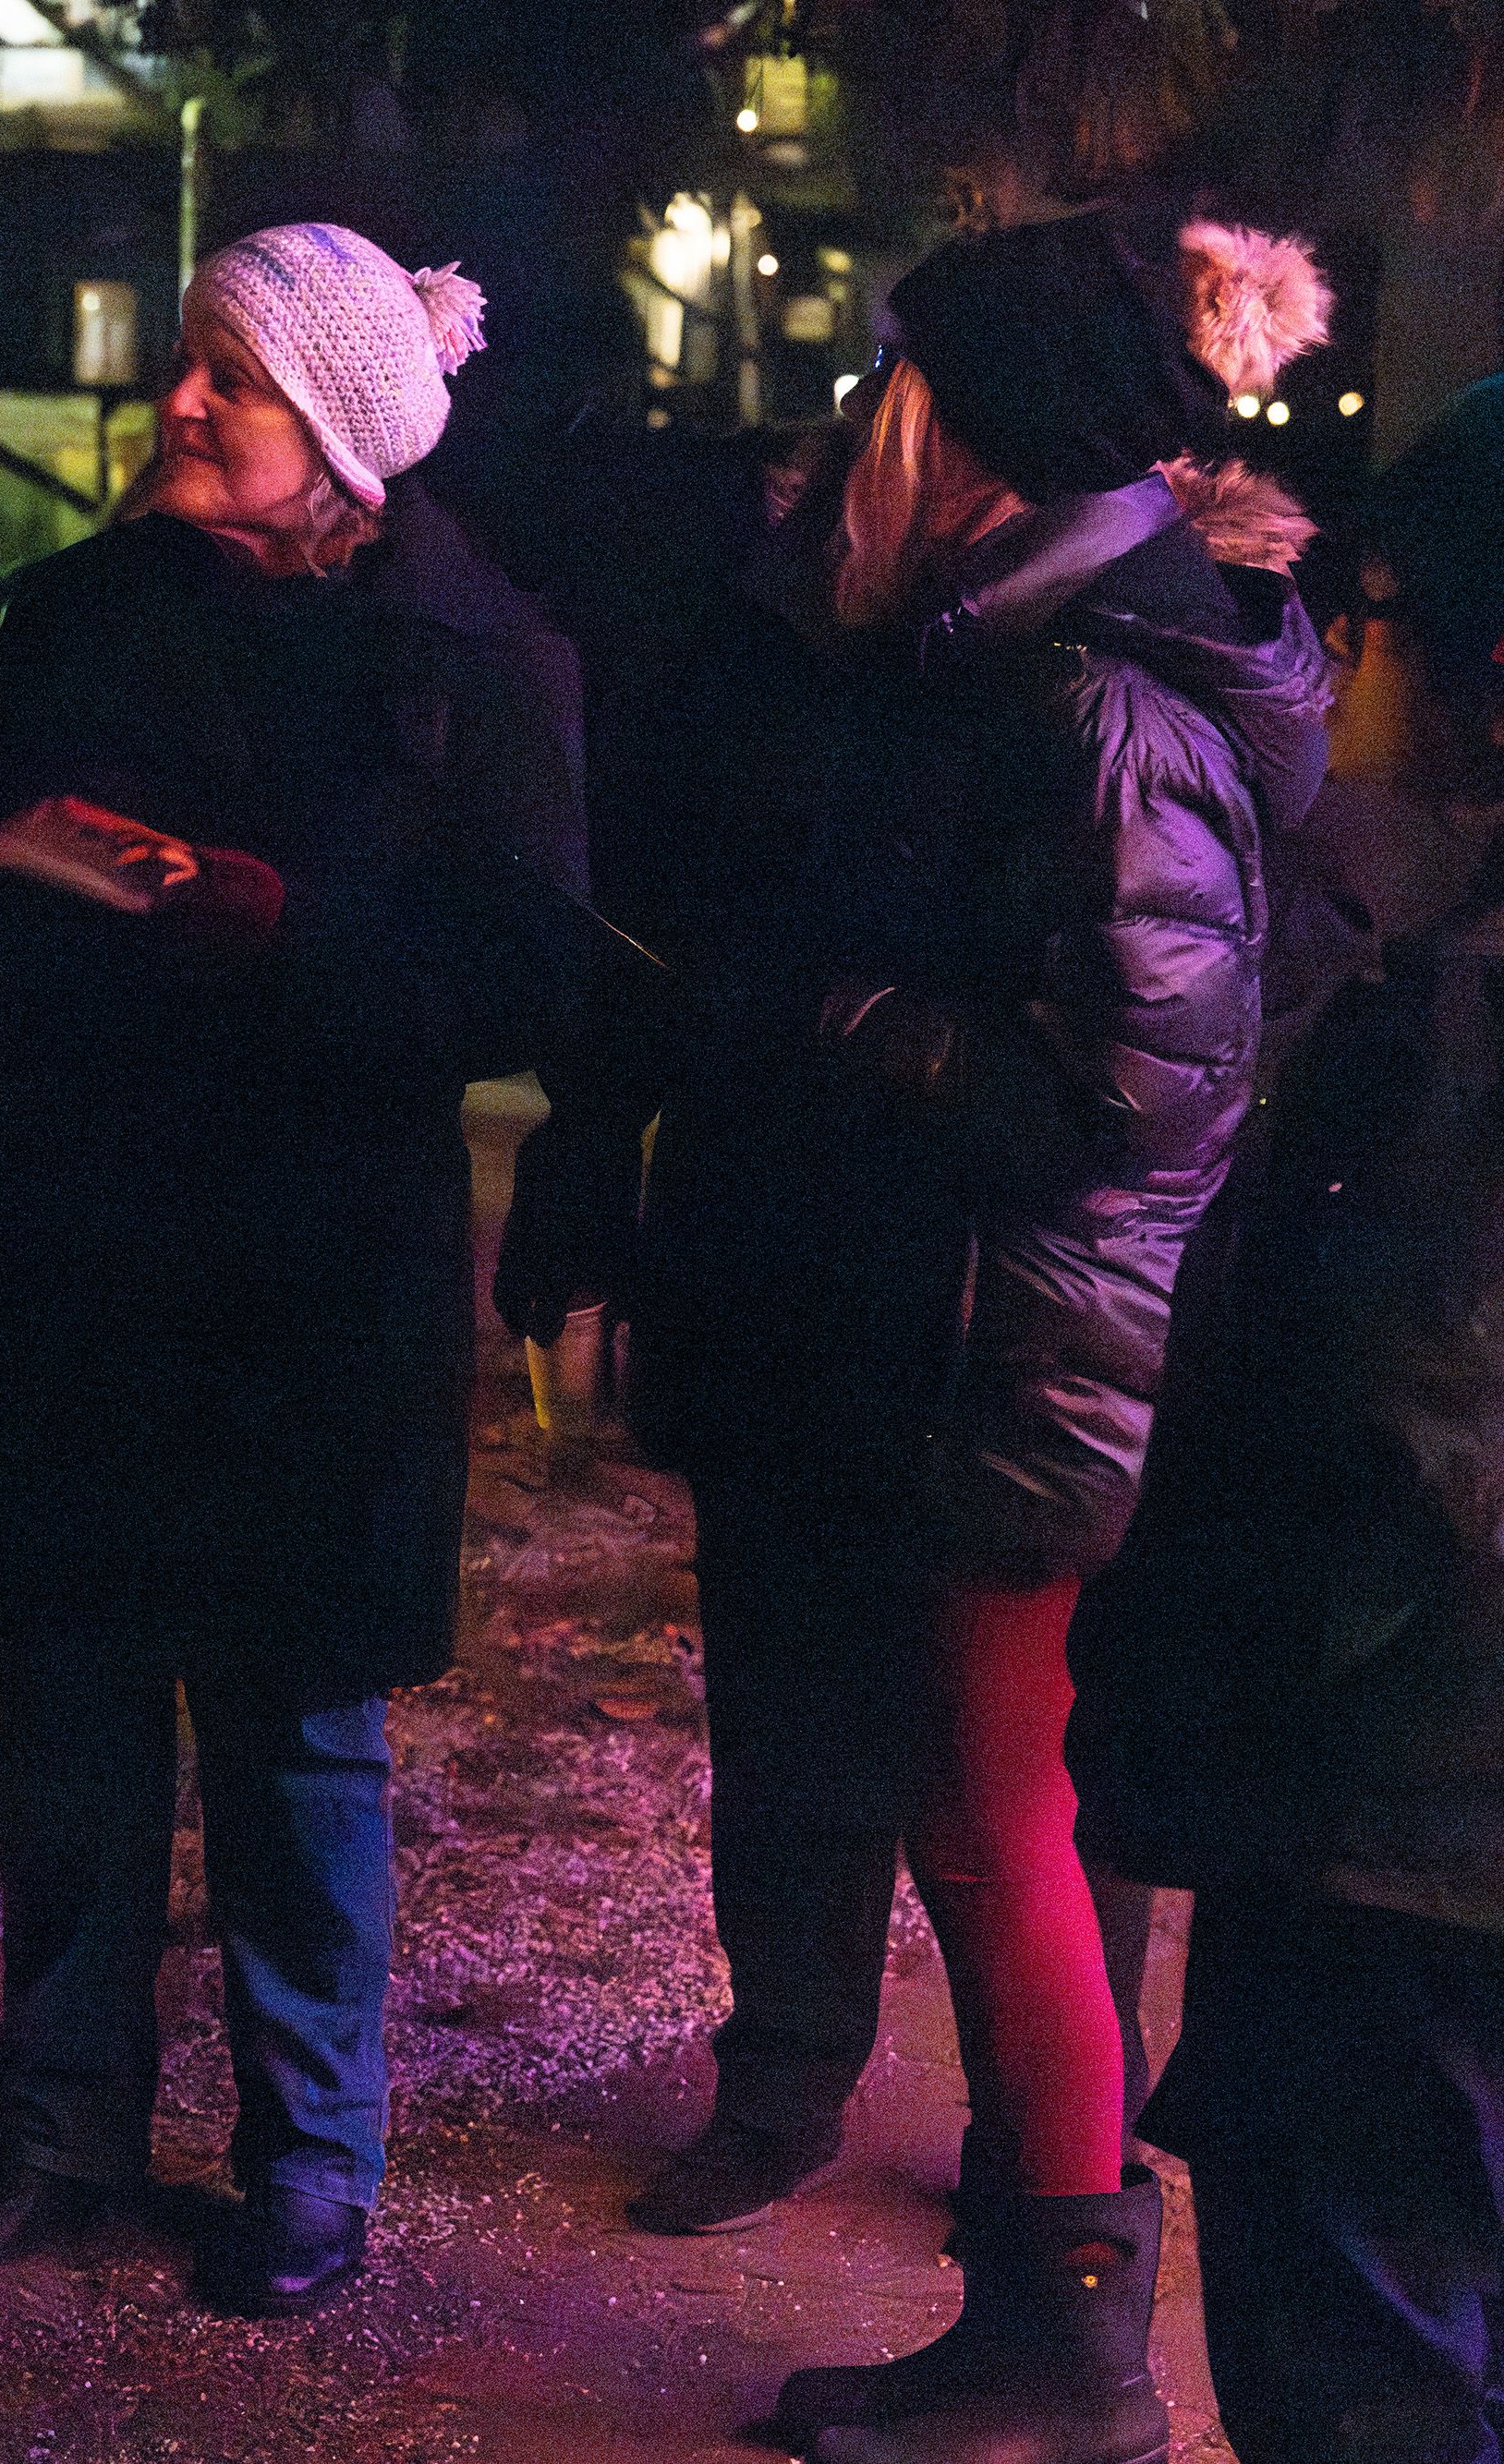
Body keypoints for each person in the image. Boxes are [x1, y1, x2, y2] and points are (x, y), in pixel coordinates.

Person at [508, 211, 1330, 2462]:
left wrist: (831, 1011)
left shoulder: (1093, 697)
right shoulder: (980, 652)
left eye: (906, 385)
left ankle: (1062, 2339)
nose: (867, 416)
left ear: (980, 432)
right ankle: (1034, 2308)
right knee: (978, 1809)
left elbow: (1127, 1085)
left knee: (995, 1820)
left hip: (1019, 1345)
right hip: (923, 1322)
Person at [0, 223, 590, 2318]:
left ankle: (310, 2160)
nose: (182, 404)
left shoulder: (478, 659)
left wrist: (281, 932)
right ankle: (52, 2123)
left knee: (292, 1731)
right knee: (64, 1706)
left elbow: (518, 974)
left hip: (307, 1284)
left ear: (334, 423)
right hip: (69, 1248)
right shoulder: (80, 616)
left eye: (227, 375)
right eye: (191, 365)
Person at [1071, 376, 1504, 2464]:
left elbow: (1397, 1432)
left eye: (1389, 619)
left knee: (1368, 2389)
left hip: (1406, 1863)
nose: (1355, 665)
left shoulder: (1449, 1024)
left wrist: (1224, 1722)